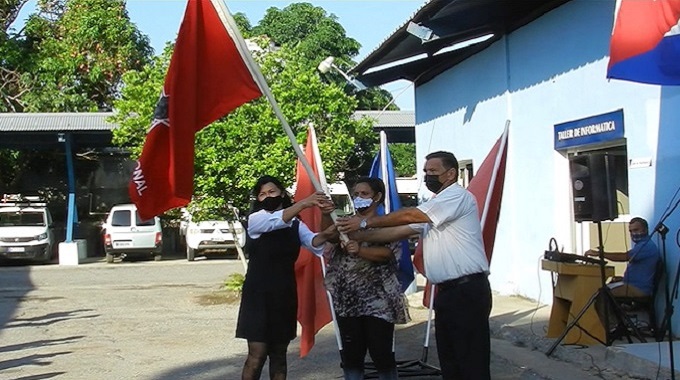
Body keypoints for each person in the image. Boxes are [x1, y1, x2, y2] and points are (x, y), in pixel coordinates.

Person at [337, 151, 491, 380]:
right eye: (426, 172)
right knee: (451, 361)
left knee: (470, 362)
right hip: (447, 292)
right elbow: (399, 231)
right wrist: (356, 235)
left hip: (466, 291)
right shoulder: (435, 206)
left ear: (451, 174)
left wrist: (365, 221)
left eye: (433, 172)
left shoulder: (456, 196)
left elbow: (409, 215)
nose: (428, 176)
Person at [235, 175, 336, 380]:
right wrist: (306, 202)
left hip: (284, 294)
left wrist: (327, 217)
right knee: (257, 354)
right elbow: (275, 221)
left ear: (282, 193)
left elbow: (317, 242)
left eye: (272, 192)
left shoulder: (296, 225)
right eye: (262, 194)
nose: (267, 197)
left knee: (279, 356)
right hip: (257, 297)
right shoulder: (256, 220)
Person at [324, 177, 410, 380]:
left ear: (377, 197)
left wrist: (360, 250)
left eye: (364, 194)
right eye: (356, 194)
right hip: (348, 300)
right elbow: (331, 237)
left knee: (381, 353)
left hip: (379, 301)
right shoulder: (345, 222)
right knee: (352, 355)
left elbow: (387, 255)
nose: (359, 198)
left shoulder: (388, 224)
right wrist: (324, 213)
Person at [586, 217, 660, 298]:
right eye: (631, 231)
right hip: (631, 284)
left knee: (603, 294)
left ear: (645, 230)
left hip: (639, 289)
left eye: (636, 230)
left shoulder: (646, 246)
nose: (633, 234)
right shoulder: (640, 245)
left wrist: (599, 254)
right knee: (605, 288)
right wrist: (622, 279)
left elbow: (623, 257)